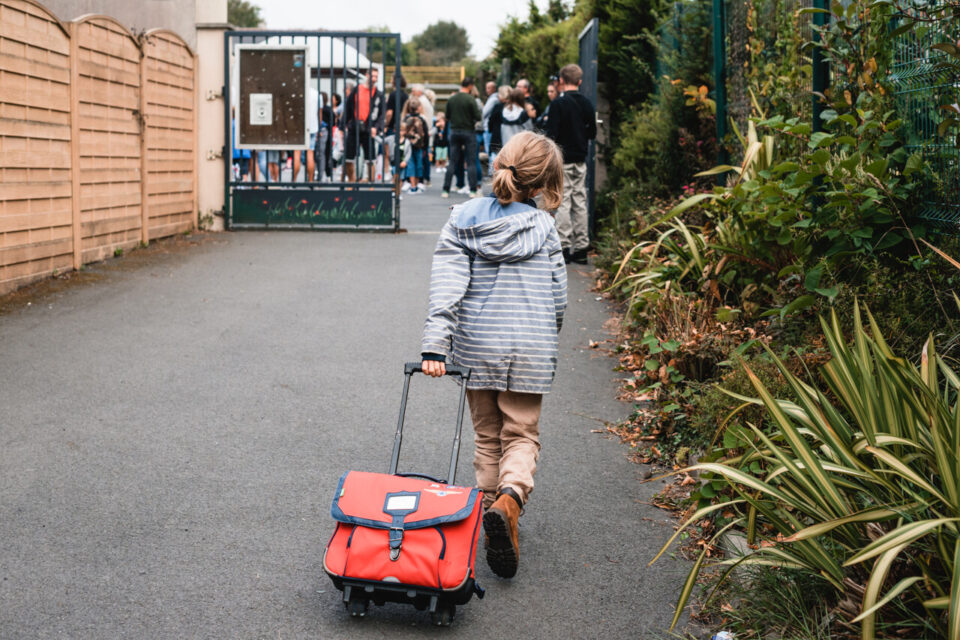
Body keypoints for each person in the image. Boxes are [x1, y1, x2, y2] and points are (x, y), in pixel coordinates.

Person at [420, 131, 567, 579]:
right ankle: (510, 499)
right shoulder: (545, 228)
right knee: (521, 433)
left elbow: (448, 285)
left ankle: (489, 513)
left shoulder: (463, 220)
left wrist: (435, 343)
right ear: (541, 186)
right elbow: (558, 296)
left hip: (479, 344)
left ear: (498, 164)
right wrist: (548, 336)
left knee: (487, 435)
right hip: (531, 346)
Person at [544, 64, 597, 264]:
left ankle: (564, 246)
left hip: (562, 159)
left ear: (561, 81)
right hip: (580, 159)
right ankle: (582, 247)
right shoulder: (586, 103)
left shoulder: (558, 104)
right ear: (580, 82)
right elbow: (592, 132)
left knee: (563, 201)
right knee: (580, 201)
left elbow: (551, 135)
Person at [442, 77, 483, 198]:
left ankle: (445, 189)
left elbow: (447, 116)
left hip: (454, 132)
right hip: (469, 132)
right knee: (471, 162)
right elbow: (478, 117)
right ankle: (473, 190)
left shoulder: (452, 99)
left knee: (453, 161)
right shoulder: (471, 100)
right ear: (470, 86)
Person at [342, 68, 385, 182]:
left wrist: (376, 127)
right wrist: (343, 125)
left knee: (370, 159)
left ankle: (370, 184)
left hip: (369, 127)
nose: (374, 79)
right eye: (372, 76)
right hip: (354, 126)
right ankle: (352, 181)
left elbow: (381, 114)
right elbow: (348, 107)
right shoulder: (357, 90)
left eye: (376, 76)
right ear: (367, 75)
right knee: (348, 158)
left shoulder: (379, 94)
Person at [401, 99, 429, 194]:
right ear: (419, 108)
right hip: (419, 145)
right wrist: (426, 146)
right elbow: (425, 133)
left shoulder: (405, 118)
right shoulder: (421, 119)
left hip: (408, 145)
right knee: (419, 164)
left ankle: (412, 186)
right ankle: (418, 184)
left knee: (410, 165)